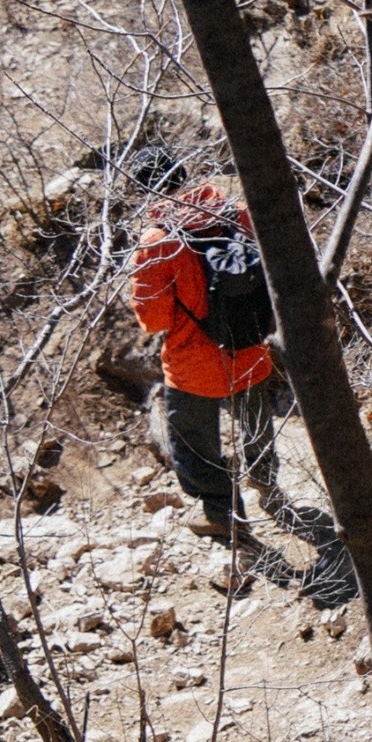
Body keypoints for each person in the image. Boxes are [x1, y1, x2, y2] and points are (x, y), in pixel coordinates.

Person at [132, 176, 283, 543]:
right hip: (250, 348)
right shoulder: (238, 215)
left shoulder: (158, 243)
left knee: (194, 445)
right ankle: (265, 480)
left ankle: (223, 515)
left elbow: (153, 320)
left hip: (193, 364)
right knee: (256, 420)